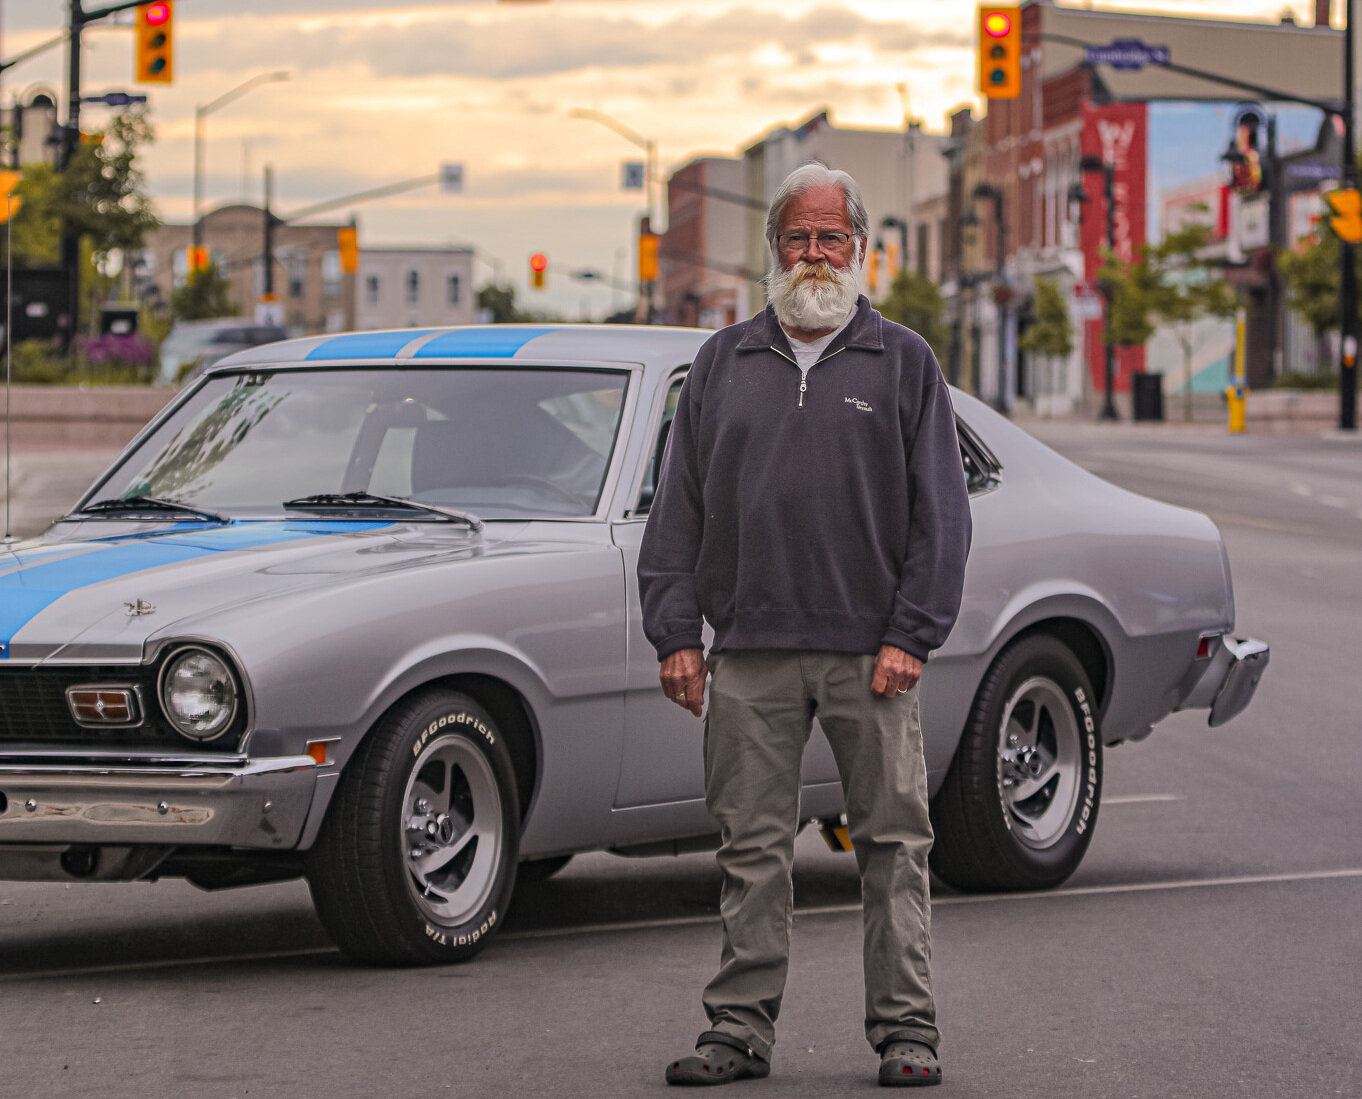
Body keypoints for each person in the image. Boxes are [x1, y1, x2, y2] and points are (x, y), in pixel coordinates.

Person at [638, 162, 972, 1088]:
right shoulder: (720, 363)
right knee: (750, 848)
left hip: (874, 655)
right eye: (799, 236)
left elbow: (941, 515)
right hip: (748, 654)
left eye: (832, 236)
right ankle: (738, 1031)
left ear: (859, 249)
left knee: (895, 846)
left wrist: (913, 631)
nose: (815, 253)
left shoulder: (903, 361)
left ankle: (907, 1031)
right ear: (774, 250)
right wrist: (676, 633)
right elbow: (679, 512)